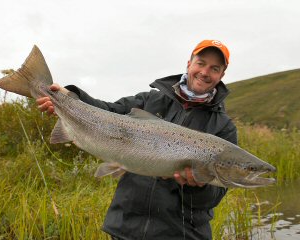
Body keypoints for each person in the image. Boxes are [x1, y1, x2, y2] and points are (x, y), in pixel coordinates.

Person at [37, 39, 237, 240]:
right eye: (201, 63)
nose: (205, 72)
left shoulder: (224, 128)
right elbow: (107, 111)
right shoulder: (150, 100)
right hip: (126, 229)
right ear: (189, 64)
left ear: (221, 75)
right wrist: (69, 97)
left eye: (214, 68)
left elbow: (212, 199)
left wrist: (197, 186)